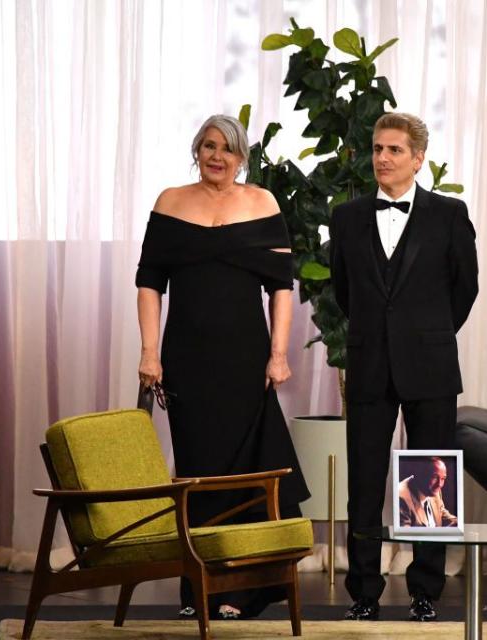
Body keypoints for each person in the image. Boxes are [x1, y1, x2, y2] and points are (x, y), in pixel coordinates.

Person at [135, 114, 310, 620]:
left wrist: (278, 355)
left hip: (245, 360)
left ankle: (245, 587)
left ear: (241, 158)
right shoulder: (170, 202)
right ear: (198, 150)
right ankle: (200, 590)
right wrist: (150, 352)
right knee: (198, 469)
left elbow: (281, 287)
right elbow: (149, 282)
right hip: (187, 360)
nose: (217, 156)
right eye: (209, 146)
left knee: (248, 471)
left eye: (228, 149)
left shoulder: (263, 203)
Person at [330, 112, 479, 622]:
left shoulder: (449, 215)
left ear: (418, 159)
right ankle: (364, 593)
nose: (382, 158)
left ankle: (425, 592)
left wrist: (427, 334)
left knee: (431, 477)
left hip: (431, 364)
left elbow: (465, 290)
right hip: (370, 360)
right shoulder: (346, 218)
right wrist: (384, 335)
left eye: (394, 150)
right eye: (377, 148)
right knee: (365, 479)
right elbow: (344, 292)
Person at [398, 457, 457, 528]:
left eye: (443, 478)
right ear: (420, 473)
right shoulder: (401, 497)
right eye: (435, 477)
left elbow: (441, 512)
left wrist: (457, 522)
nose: (439, 484)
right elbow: (405, 536)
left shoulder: (434, 490)